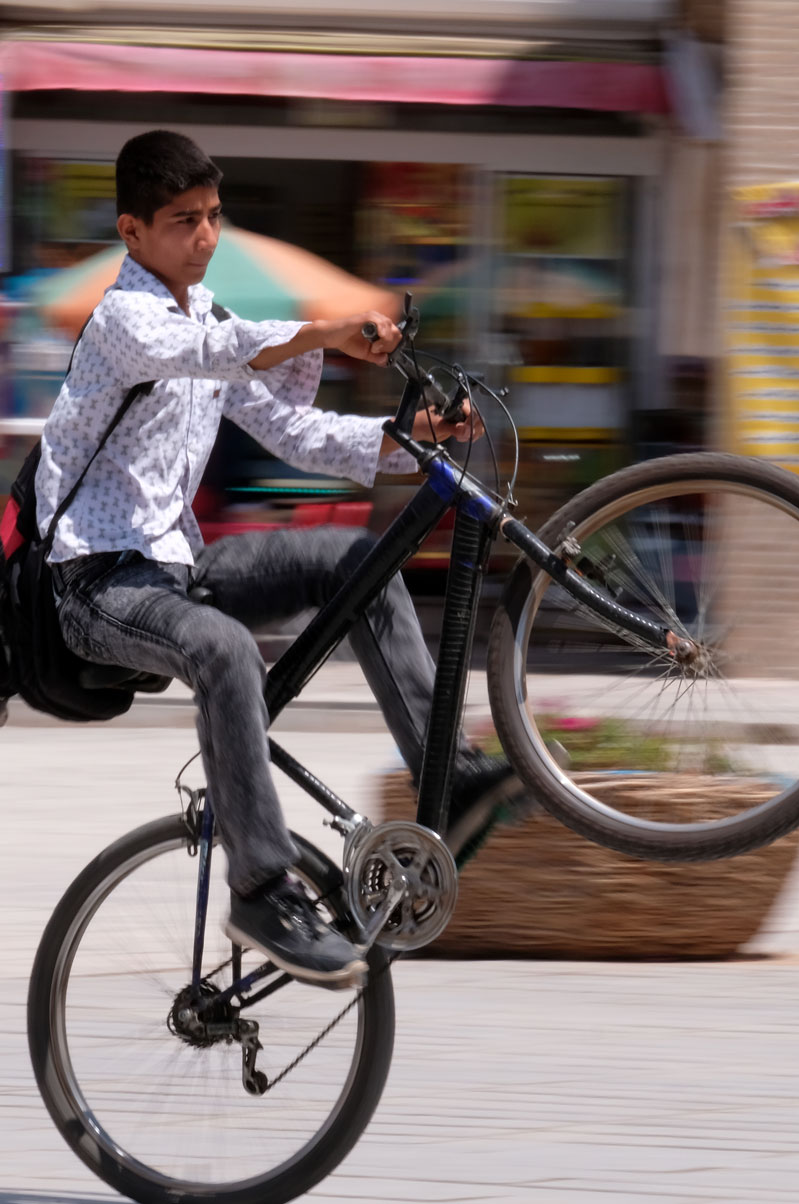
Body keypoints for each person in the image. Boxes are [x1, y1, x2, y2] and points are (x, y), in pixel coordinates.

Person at [37, 130, 517, 989]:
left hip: (177, 569)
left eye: (214, 217)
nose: (205, 237)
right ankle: (260, 888)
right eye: (183, 221)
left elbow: (296, 432)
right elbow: (215, 354)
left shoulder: (208, 315)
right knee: (222, 649)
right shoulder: (125, 319)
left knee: (354, 561)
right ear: (132, 232)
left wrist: (413, 441)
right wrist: (323, 332)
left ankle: (444, 768)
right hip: (95, 584)